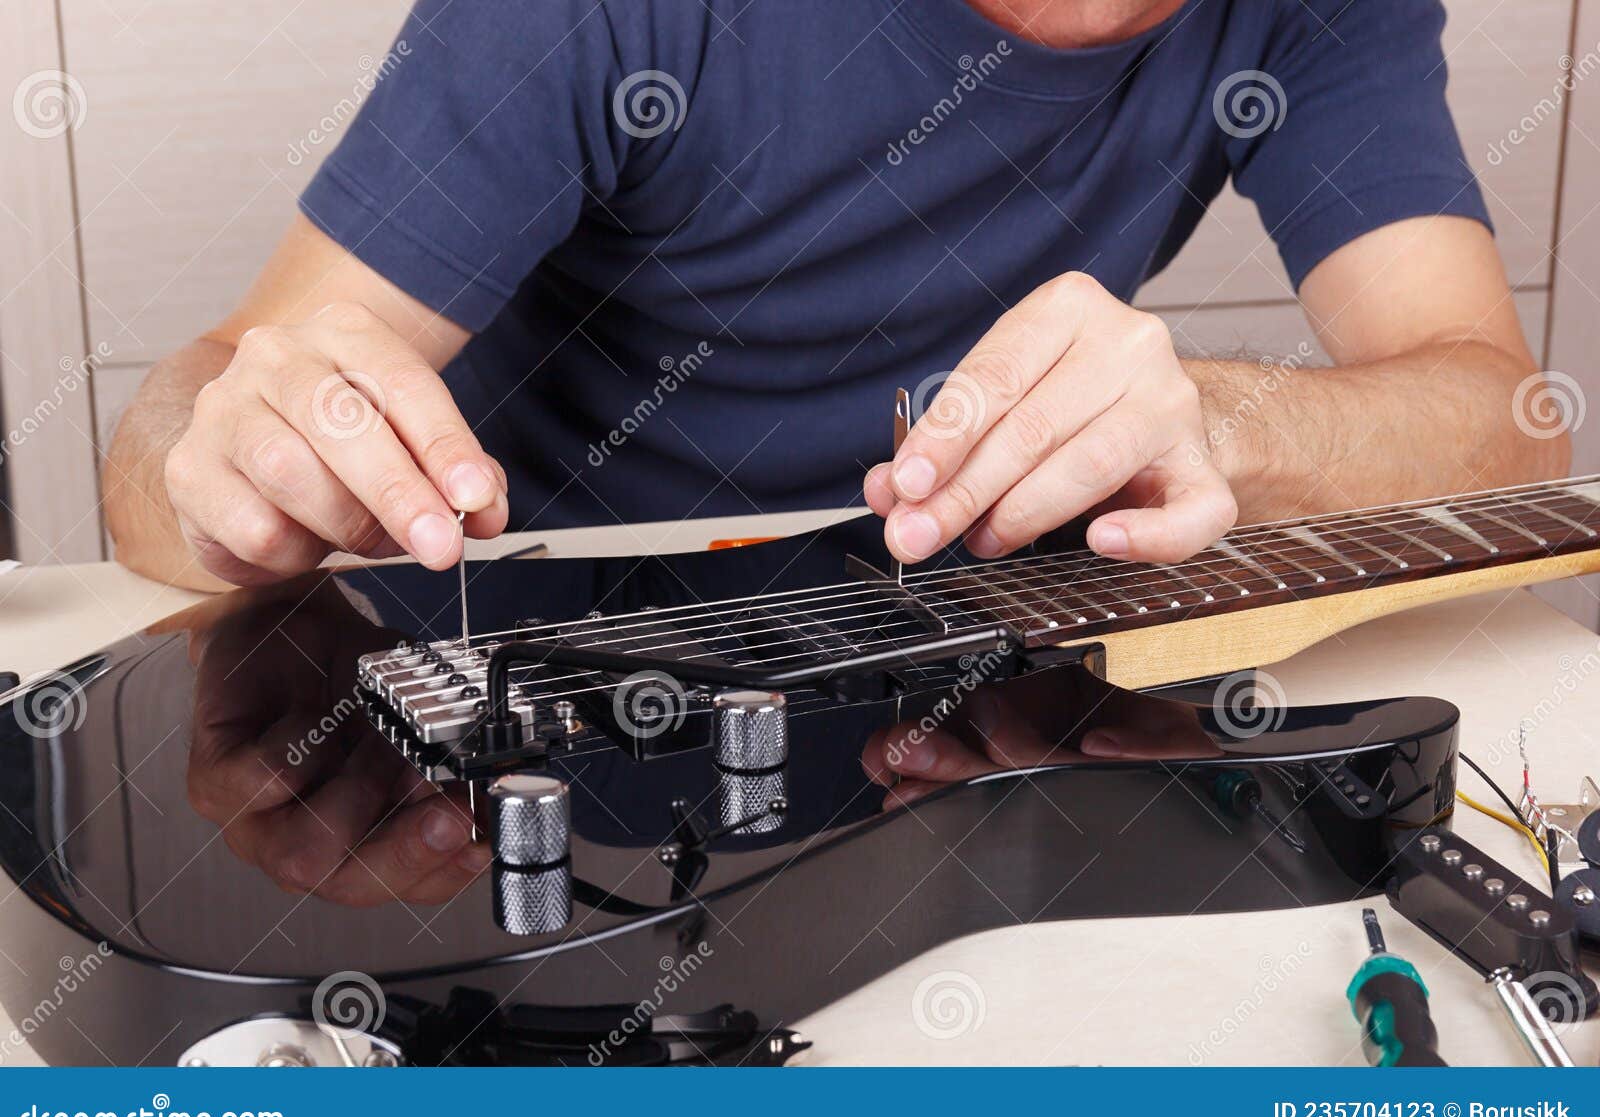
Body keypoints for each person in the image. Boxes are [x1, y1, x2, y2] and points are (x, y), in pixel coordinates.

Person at [104, 0, 1567, 591]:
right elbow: (193, 424)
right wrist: (226, 471)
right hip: (542, 684)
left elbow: (1511, 424)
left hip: (957, 699)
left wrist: (1228, 425)